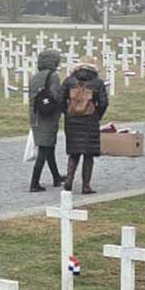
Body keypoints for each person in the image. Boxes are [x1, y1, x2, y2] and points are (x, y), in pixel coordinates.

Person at [58, 62, 111, 194]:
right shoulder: (97, 82)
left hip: (72, 121)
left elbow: (60, 99)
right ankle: (86, 186)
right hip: (90, 121)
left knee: (74, 153)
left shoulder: (69, 81)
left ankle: (69, 181)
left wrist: (67, 112)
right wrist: (97, 115)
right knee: (88, 155)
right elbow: (104, 102)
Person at [27, 51, 67, 191]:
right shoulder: (52, 76)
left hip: (36, 115)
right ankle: (34, 183)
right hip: (47, 116)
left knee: (49, 147)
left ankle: (56, 177)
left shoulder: (36, 76)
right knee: (44, 149)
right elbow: (56, 96)